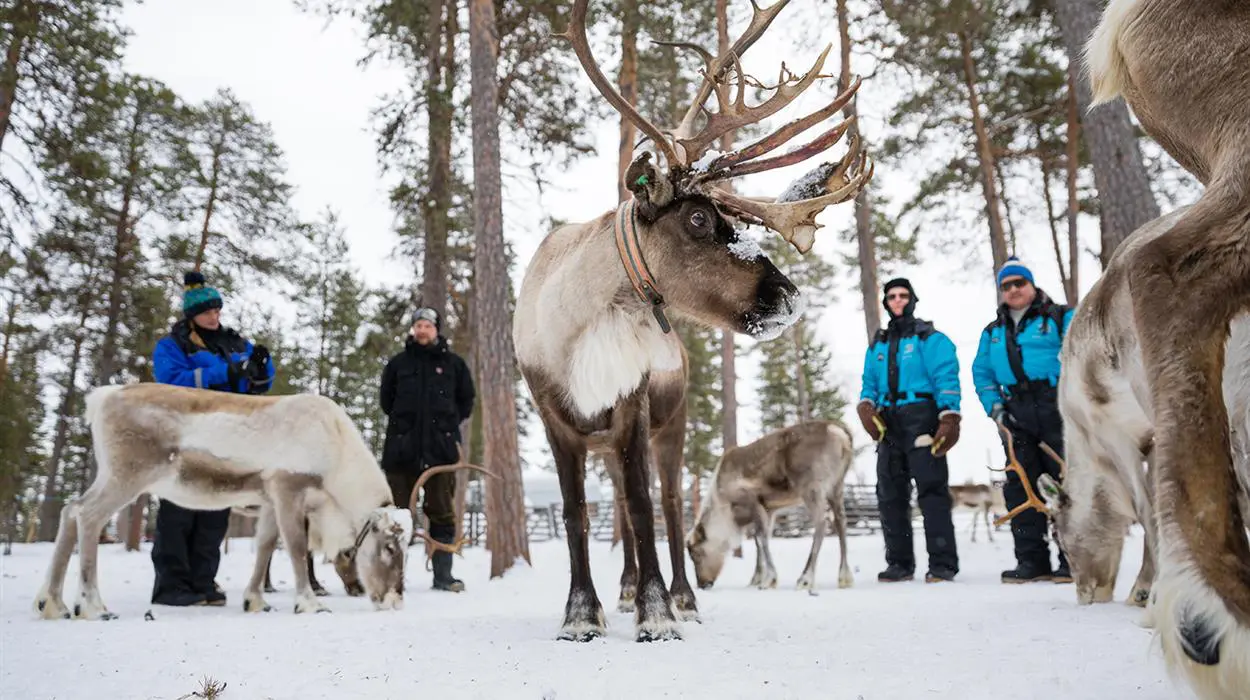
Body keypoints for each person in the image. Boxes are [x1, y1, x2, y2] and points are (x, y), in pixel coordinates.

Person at [149, 271, 275, 606]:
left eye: (217, 310)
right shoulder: (173, 345)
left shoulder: (235, 342)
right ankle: (172, 584)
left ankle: (204, 581)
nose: (214, 316)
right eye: (207, 312)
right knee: (179, 508)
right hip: (187, 434)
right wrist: (224, 373)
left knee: (215, 508)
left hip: (227, 437)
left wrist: (261, 370)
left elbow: (254, 380)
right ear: (192, 314)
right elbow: (171, 381)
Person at [972, 257, 1073, 584]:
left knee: (1065, 481)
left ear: (1031, 285)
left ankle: (1073, 557)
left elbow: (1084, 356)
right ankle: (1031, 561)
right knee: (1021, 484)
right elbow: (983, 374)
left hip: (1057, 406)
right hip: (1015, 412)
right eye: (1006, 285)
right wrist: (996, 408)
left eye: (1019, 283)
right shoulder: (993, 332)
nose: (1013, 290)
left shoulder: (1060, 318)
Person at [856, 278, 963, 584]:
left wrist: (949, 416)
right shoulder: (879, 344)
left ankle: (942, 564)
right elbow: (869, 381)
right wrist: (866, 405)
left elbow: (946, 375)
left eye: (903, 295)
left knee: (931, 491)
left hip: (922, 416)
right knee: (890, 494)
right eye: (892, 296)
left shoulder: (930, 338)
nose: (898, 300)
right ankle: (899, 564)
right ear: (886, 302)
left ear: (913, 299)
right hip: (888, 421)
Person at [380, 307, 475, 592]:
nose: (422, 330)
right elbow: (386, 401)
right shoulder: (397, 365)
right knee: (397, 515)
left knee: (443, 513)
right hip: (401, 453)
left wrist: (443, 429)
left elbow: (466, 402)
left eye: (428, 326)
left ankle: (443, 577)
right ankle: (393, 576)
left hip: (441, 454)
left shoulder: (453, 365)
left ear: (436, 330)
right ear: (412, 329)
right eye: (418, 325)